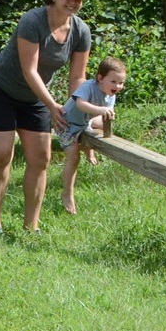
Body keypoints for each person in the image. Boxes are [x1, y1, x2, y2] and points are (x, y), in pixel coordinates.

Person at [0, 0, 93, 232]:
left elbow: (78, 77)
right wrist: (53, 106)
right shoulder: (33, 21)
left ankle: (31, 227)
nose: (73, 2)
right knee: (1, 155)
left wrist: (79, 111)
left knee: (41, 158)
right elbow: (29, 70)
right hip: (0, 90)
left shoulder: (81, 31)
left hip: (37, 97)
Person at [55, 56, 126, 214]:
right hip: (66, 124)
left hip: (85, 122)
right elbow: (80, 104)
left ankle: (88, 147)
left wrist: (108, 116)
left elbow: (102, 114)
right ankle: (67, 193)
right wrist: (101, 111)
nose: (118, 86)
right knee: (73, 158)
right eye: (114, 81)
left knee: (100, 125)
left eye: (121, 83)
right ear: (100, 78)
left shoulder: (111, 95)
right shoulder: (88, 86)